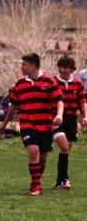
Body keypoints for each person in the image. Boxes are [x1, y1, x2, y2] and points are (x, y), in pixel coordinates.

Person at [0, 53, 64, 196]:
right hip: (28, 124)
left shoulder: (49, 81)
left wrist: (59, 115)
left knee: (43, 158)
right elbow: (14, 106)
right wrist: (4, 124)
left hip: (45, 125)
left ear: (33, 66)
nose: (21, 67)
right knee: (33, 152)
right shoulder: (20, 84)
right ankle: (37, 188)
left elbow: (59, 100)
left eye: (24, 64)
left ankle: (35, 182)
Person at [53, 56, 87, 189]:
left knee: (65, 151)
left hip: (71, 121)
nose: (62, 70)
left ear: (71, 69)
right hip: (56, 120)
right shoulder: (53, 82)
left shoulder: (78, 84)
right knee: (64, 147)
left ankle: (60, 180)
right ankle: (65, 179)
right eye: (60, 67)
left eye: (65, 67)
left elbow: (83, 102)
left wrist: (85, 116)